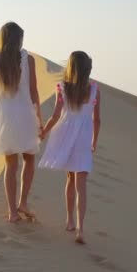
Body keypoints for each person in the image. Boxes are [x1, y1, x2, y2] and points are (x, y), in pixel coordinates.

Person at [39, 51, 101, 244]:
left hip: (66, 137)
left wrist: (44, 132)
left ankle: (69, 221)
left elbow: (56, 116)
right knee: (81, 184)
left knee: (70, 180)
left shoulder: (62, 88)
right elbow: (96, 119)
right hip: (83, 139)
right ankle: (80, 229)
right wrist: (93, 141)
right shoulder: (94, 91)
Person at [0, 21, 43, 223]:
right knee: (29, 159)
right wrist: (39, 117)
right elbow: (34, 91)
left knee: (10, 164)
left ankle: (13, 212)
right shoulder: (29, 60)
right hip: (25, 113)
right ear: (17, 40)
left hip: (4, 116)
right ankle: (23, 202)